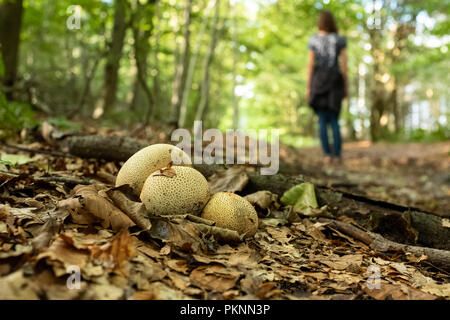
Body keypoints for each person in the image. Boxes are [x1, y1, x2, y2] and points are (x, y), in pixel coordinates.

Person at [306, 10, 348, 165]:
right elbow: (344, 66)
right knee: (334, 119)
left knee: (322, 119)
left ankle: (326, 155)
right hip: (335, 81)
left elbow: (310, 65)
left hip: (318, 82)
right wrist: (346, 86)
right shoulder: (340, 40)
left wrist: (309, 87)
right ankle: (337, 155)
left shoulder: (314, 40)